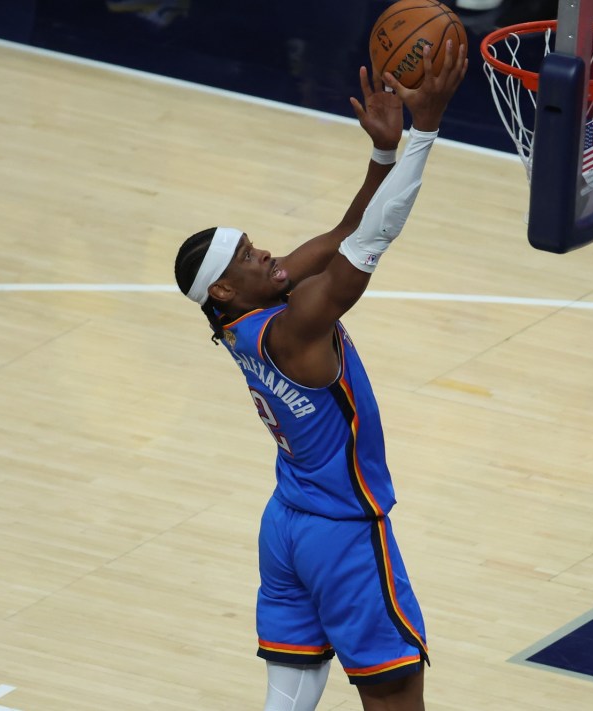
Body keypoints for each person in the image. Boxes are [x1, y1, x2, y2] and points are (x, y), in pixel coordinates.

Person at [173, 40, 467, 711]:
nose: (266, 250)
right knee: (397, 697)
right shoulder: (297, 324)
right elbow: (372, 239)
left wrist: (382, 156)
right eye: (248, 254)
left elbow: (341, 229)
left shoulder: (241, 322)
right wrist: (428, 128)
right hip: (341, 533)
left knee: (288, 701)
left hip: (287, 526)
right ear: (223, 288)